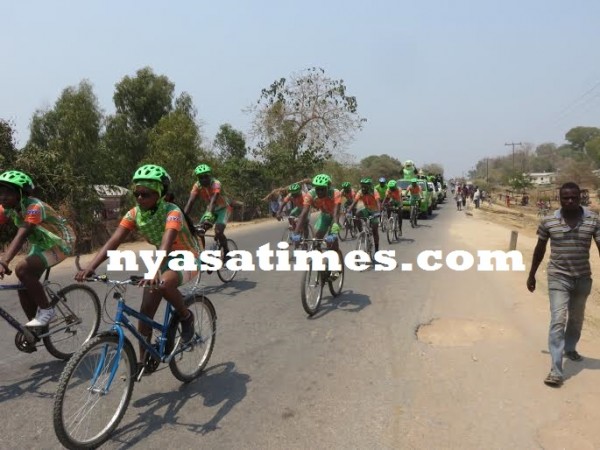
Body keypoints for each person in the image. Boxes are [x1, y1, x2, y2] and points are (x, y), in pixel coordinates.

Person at [76, 164, 199, 370]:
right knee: (145, 312)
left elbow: (166, 243)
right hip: (163, 259)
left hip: (187, 256)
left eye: (146, 194)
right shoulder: (133, 214)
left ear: (160, 195)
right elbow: (113, 241)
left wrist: (153, 272)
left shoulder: (173, 212)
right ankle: (143, 360)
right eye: (137, 194)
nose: (140, 199)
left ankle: (186, 317)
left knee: (164, 284)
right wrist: (91, 267)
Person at [527, 182, 600, 387]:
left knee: (576, 319)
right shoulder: (549, 220)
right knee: (558, 319)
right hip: (558, 277)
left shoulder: (593, 219)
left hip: (583, 277)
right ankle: (556, 370)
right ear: (559, 199)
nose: (569, 201)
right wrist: (531, 274)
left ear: (580, 198)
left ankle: (570, 347)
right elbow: (539, 249)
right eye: (565, 198)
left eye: (573, 198)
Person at [0, 170, 75, 328]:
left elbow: (22, 235)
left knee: (22, 269)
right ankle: (35, 330)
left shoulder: (34, 207)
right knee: (23, 284)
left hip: (61, 243)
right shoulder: (8, 207)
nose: (3, 196)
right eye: (1, 191)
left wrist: (4, 261)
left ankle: (47, 310)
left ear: (21, 194)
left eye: (8, 192)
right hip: (41, 244)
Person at [184, 164, 232, 254]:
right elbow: (190, 202)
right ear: (198, 178)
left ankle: (226, 252)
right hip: (210, 209)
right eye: (201, 177)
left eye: (206, 176)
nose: (204, 179)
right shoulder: (197, 186)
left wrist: (208, 217)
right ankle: (202, 253)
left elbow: (213, 200)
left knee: (218, 231)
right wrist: (183, 217)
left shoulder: (216, 184)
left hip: (223, 209)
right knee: (199, 231)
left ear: (210, 175)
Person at [292, 174, 341, 252]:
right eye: (318, 189)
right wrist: (296, 232)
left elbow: (336, 213)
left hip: (334, 217)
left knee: (333, 245)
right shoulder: (310, 194)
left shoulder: (335, 193)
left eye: (322, 189)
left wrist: (334, 233)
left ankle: (339, 260)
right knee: (316, 241)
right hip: (324, 216)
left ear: (328, 187)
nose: (320, 192)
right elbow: (304, 213)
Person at [346, 178, 381, 253]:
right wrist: (348, 212)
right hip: (366, 210)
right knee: (357, 215)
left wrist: (378, 212)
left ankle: (377, 249)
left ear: (369, 186)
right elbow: (354, 202)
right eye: (362, 186)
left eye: (365, 186)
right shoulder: (360, 192)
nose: (363, 188)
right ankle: (362, 233)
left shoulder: (374, 191)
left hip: (374, 211)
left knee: (375, 230)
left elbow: (378, 202)